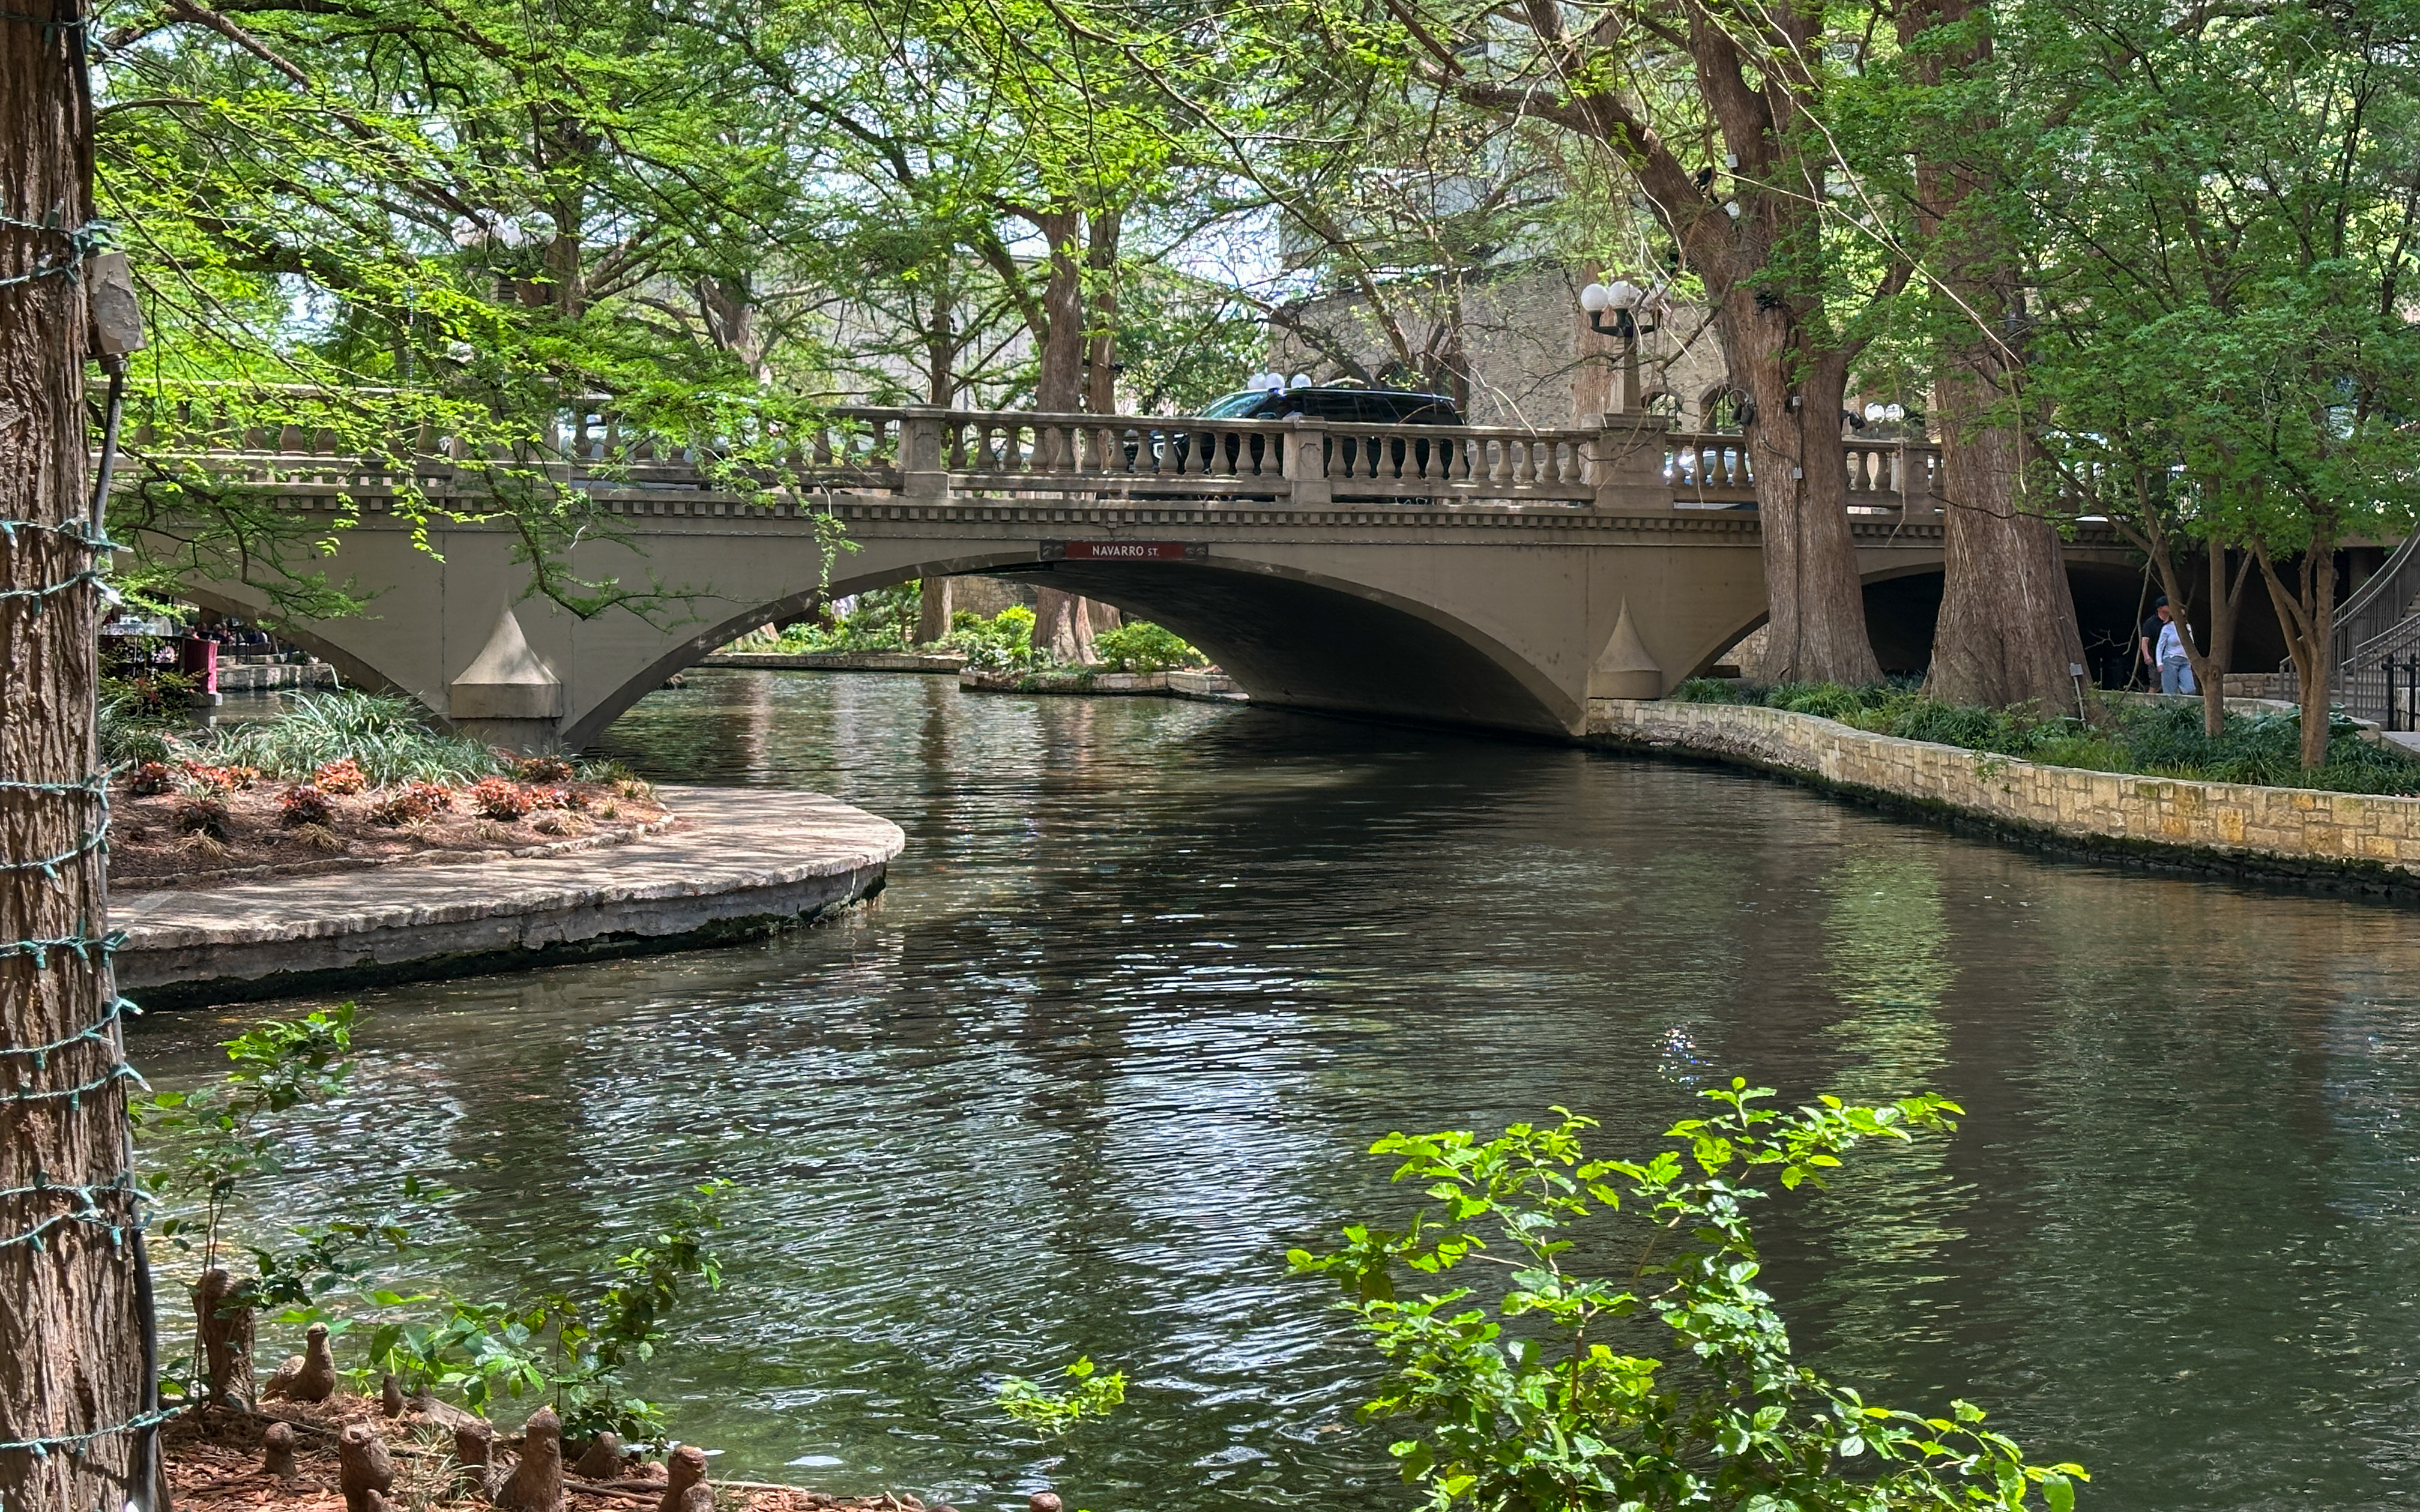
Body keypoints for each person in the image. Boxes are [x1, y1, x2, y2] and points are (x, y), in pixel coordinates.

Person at [2155, 602, 2197, 694]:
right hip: (2170, 660)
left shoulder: (2188, 627)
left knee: (2190, 689)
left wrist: (2193, 661)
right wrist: (2159, 663)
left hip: (2185, 661)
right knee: (2170, 692)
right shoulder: (2167, 628)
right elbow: (2160, 646)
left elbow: (2192, 644)